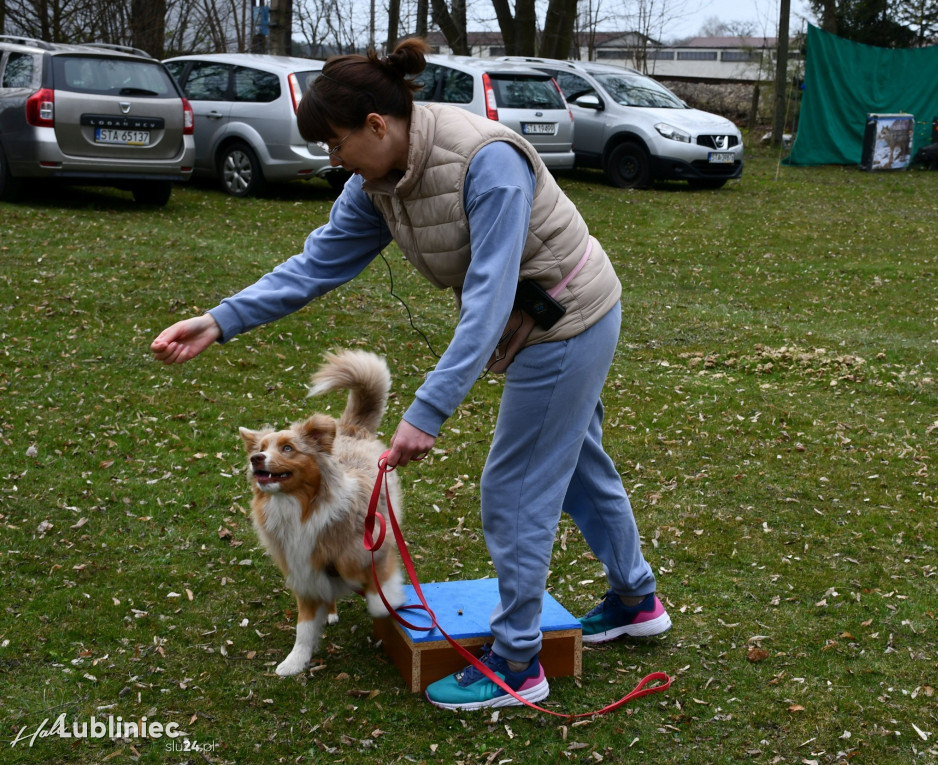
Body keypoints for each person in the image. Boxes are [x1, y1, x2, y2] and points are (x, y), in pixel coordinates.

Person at [150, 37, 671, 711]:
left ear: (376, 124)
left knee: (513, 487)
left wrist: (426, 412)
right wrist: (220, 320)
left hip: (567, 320)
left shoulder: (487, 163)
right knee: (574, 463)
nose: (331, 159)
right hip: (529, 317)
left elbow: (486, 301)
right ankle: (635, 599)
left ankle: (518, 661)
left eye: (336, 143)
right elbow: (315, 265)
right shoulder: (377, 180)